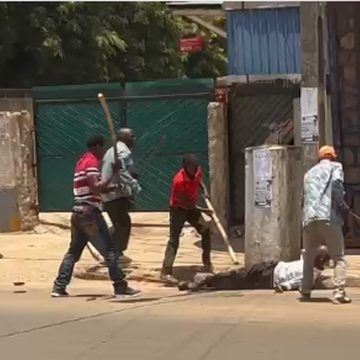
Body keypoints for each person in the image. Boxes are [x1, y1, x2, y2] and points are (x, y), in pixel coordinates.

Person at [51, 135, 139, 298]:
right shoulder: (91, 163)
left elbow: (94, 189)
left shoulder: (81, 162)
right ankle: (120, 286)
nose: (104, 152)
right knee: (110, 250)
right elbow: (96, 187)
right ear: (97, 146)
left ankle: (59, 286)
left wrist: (112, 187)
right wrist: (113, 170)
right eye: (103, 148)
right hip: (90, 214)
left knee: (73, 252)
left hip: (78, 213)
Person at [301, 145, 351, 304]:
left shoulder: (308, 174)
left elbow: (303, 199)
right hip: (328, 217)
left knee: (308, 257)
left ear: (319, 158)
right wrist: (343, 207)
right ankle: (338, 293)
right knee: (338, 257)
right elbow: (336, 186)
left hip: (309, 219)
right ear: (333, 157)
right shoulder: (336, 167)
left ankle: (306, 289)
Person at [178, 247, 330, 292]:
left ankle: (200, 282)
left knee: (234, 278)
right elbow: (300, 280)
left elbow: (298, 280)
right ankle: (200, 283)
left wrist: (285, 286)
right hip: (269, 272)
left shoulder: (309, 267)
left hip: (270, 272)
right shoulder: (311, 267)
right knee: (234, 279)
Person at [160, 153, 213, 286]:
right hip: (178, 209)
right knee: (174, 239)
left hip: (192, 208)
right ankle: (166, 272)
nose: (195, 170)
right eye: (192, 168)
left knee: (205, 230)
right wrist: (204, 210)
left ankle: (207, 262)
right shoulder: (179, 180)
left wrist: (204, 190)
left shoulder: (197, 171)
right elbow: (186, 203)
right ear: (185, 167)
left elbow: (199, 180)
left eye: (196, 167)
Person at [101, 128, 141, 265]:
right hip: (114, 193)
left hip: (113, 193)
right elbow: (122, 171)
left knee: (120, 223)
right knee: (123, 224)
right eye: (132, 136)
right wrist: (134, 184)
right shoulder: (122, 151)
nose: (134, 139)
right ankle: (115, 252)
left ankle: (111, 250)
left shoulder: (114, 150)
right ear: (123, 138)